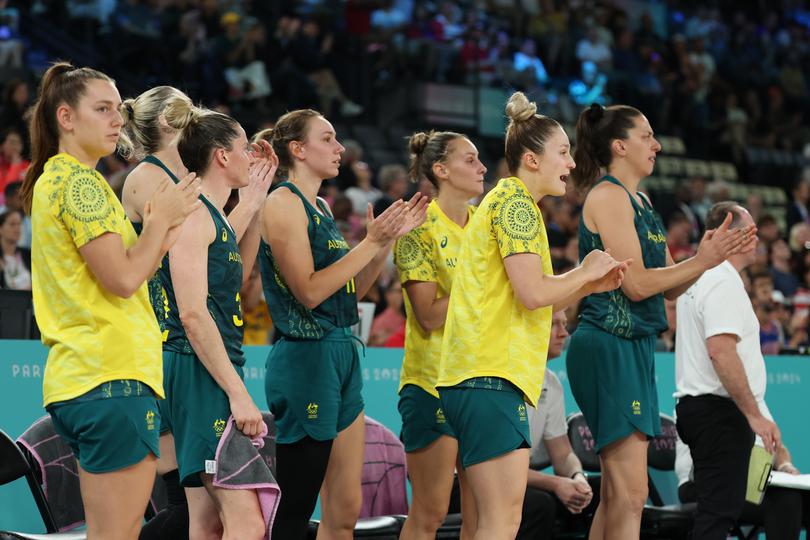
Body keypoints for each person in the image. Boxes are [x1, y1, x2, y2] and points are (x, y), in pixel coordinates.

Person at [435, 92, 628, 540]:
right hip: (492, 377)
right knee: (502, 524)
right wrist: (584, 269)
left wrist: (588, 283)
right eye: (562, 152)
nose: (571, 162)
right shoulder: (518, 205)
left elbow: (527, 299)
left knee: (482, 524)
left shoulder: (509, 203)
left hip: (475, 376)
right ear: (531, 159)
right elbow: (533, 292)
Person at [22, 62, 200, 540]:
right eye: (101, 109)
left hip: (87, 378)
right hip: (111, 376)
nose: (115, 119)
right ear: (66, 117)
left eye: (117, 108)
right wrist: (159, 224)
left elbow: (129, 271)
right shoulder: (79, 182)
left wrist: (163, 227)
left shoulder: (60, 179)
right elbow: (123, 280)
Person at [566, 103, 757, 540]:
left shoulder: (643, 201)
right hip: (608, 342)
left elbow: (669, 285)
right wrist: (704, 260)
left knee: (618, 497)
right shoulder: (608, 195)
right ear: (620, 145)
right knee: (633, 495)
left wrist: (707, 260)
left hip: (633, 346)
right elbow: (635, 285)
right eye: (647, 135)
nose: (656, 144)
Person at [260, 108, 428, 539]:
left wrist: (384, 243)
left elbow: (351, 292)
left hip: (341, 351)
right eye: (329, 139)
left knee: (347, 505)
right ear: (297, 149)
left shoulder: (318, 205)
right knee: (297, 502)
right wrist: (369, 242)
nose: (340, 149)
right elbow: (310, 291)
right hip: (306, 358)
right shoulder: (281, 203)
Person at [155, 96, 277, 539]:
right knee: (247, 518)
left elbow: (231, 260)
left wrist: (256, 198)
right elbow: (192, 314)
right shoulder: (192, 217)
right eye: (244, 148)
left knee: (205, 523)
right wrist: (239, 394)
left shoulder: (212, 217)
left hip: (203, 367)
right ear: (222, 156)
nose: (250, 156)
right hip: (197, 369)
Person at [394, 129, 485, 539]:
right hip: (432, 383)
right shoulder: (418, 226)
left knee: (483, 514)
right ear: (440, 169)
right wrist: (481, 289)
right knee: (429, 514)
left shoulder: (486, 224)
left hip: (482, 381)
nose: (482, 167)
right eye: (470, 160)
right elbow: (429, 316)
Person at [675, 201, 783, 539]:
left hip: (704, 410)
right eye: (748, 231)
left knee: (718, 512)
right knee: (717, 516)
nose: (756, 239)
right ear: (726, 233)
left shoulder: (696, 276)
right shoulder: (721, 280)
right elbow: (721, 352)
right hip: (718, 412)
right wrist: (753, 414)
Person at [519, 310, 595, 540]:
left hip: (518, 479)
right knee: (539, 504)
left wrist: (577, 477)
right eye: (554, 324)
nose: (564, 333)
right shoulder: (505, 378)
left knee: (599, 492)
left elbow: (562, 453)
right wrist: (555, 484)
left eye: (565, 324)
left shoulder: (551, 382)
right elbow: (500, 468)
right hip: (476, 482)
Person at [676, 433, 810, 539]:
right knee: (786, 500)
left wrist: (784, 465)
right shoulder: (697, 400)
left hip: (746, 483)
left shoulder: (755, 405)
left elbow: (777, 446)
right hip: (700, 484)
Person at [0, 209, 29, 289]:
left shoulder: (27, 254)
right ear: (1, 229)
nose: (17, 228)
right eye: (12, 224)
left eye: (19, 224)